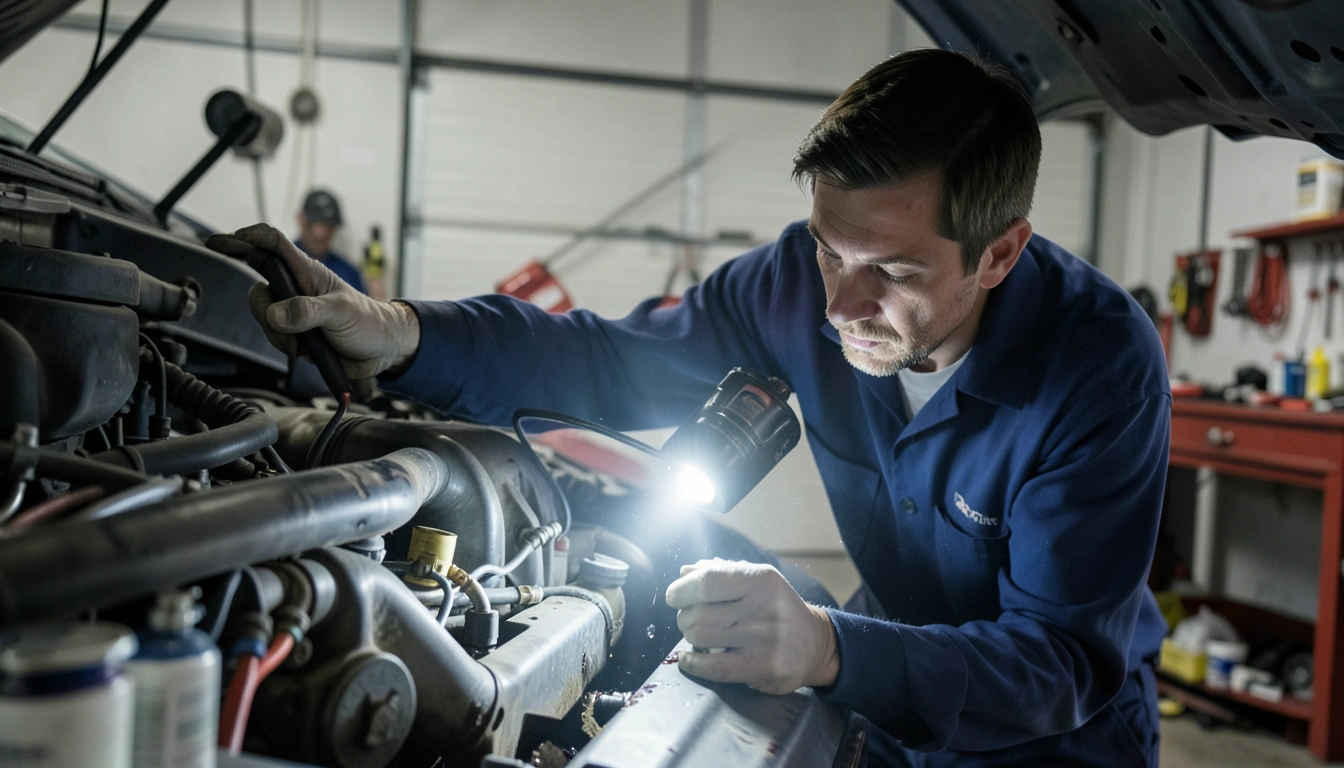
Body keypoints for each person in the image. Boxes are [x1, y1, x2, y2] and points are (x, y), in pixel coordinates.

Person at [211, 49, 1169, 767]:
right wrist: (405, 332)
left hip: (1055, 744)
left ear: (999, 253)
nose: (838, 306)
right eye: (830, 251)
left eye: (892, 272)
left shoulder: (1099, 367)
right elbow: (611, 360)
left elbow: (1058, 660)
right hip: (892, 710)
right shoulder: (797, 286)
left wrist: (831, 649)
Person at [294, 189, 366, 295]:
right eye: (315, 223)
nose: (321, 233)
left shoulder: (348, 273)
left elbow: (367, 308)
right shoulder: (280, 261)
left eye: (329, 226)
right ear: (300, 219)